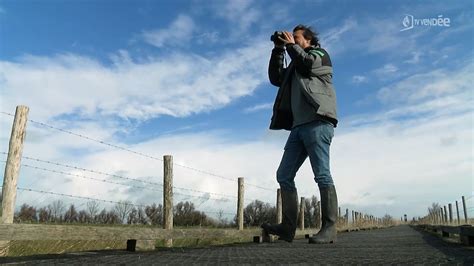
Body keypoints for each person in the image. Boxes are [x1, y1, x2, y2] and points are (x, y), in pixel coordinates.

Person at [261, 25, 338, 244]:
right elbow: (276, 78)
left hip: (318, 122)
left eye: (295, 38)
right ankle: (287, 228)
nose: (291, 40)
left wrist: (291, 47)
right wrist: (278, 50)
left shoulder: (320, 56)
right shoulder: (295, 62)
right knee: (284, 174)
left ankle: (330, 228)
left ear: (309, 40)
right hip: (298, 128)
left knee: (322, 174)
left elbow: (306, 65)